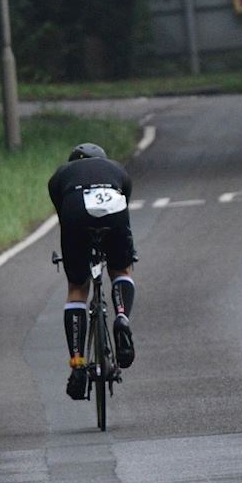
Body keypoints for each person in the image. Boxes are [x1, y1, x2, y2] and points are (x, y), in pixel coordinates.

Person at [47, 143, 138, 400]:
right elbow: (124, 207)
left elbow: (63, 216)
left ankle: (77, 363)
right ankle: (122, 317)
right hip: (114, 207)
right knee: (121, 269)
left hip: (75, 209)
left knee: (77, 288)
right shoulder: (118, 169)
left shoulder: (60, 175)